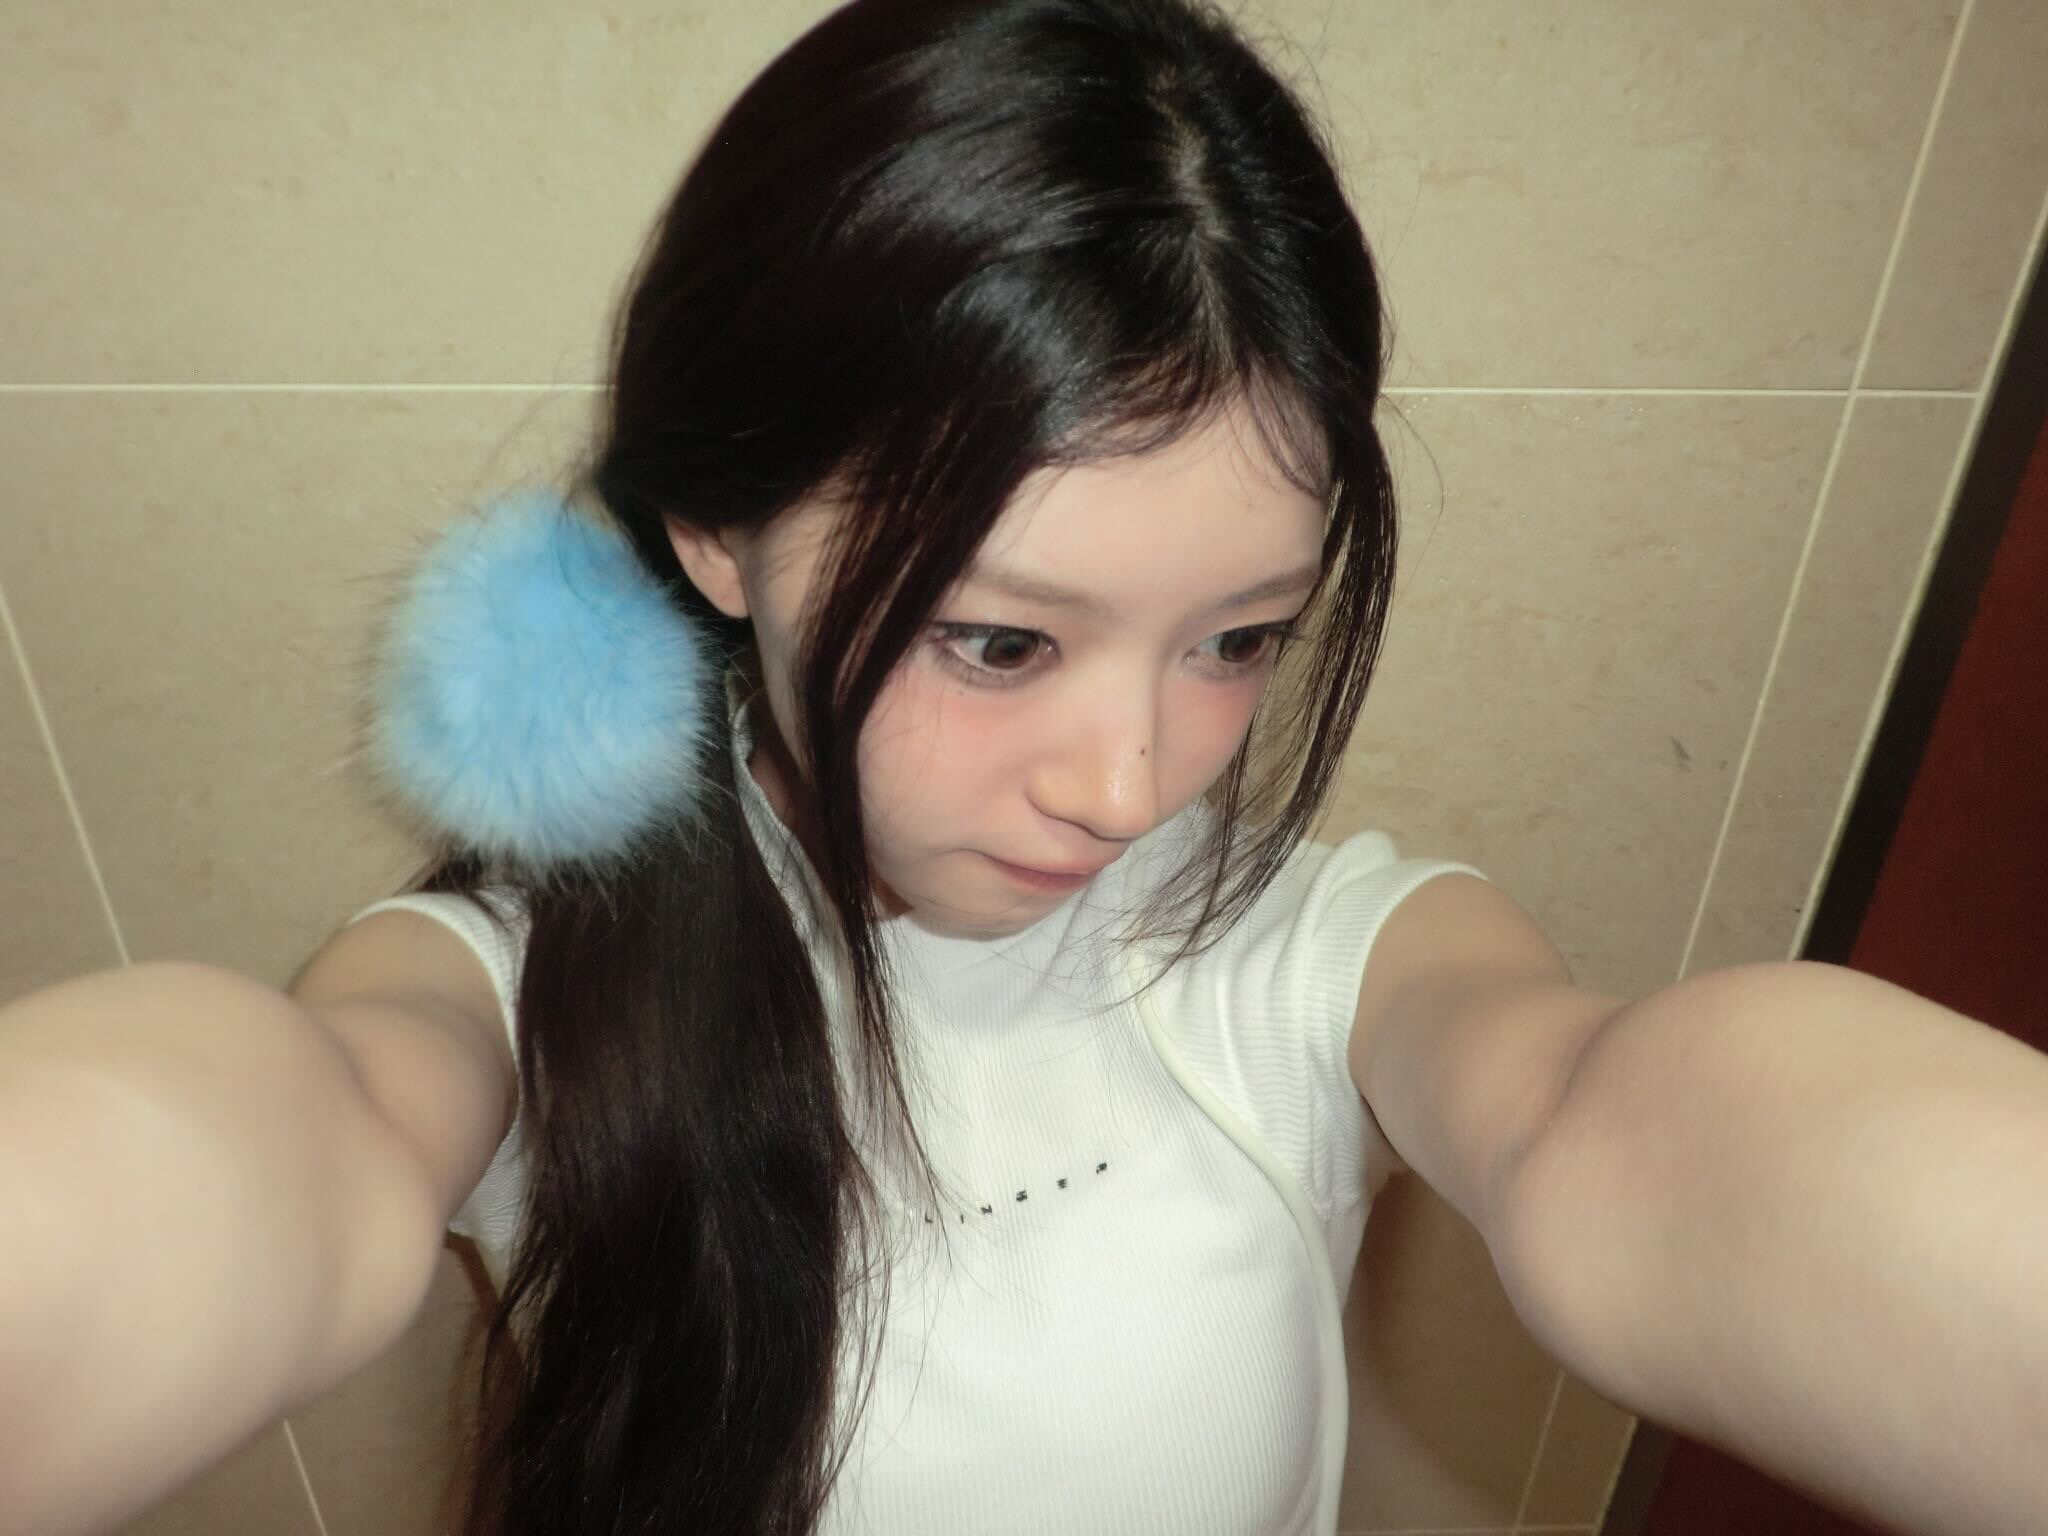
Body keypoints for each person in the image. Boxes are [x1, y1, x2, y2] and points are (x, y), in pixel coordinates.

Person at [1, 2, 2042, 1535]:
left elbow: (1613, 1124)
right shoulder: (537, 980)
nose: (1130, 785)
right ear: (716, 531)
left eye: (1237, 638)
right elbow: (277, 1141)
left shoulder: (1293, 959)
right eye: (1000, 641)